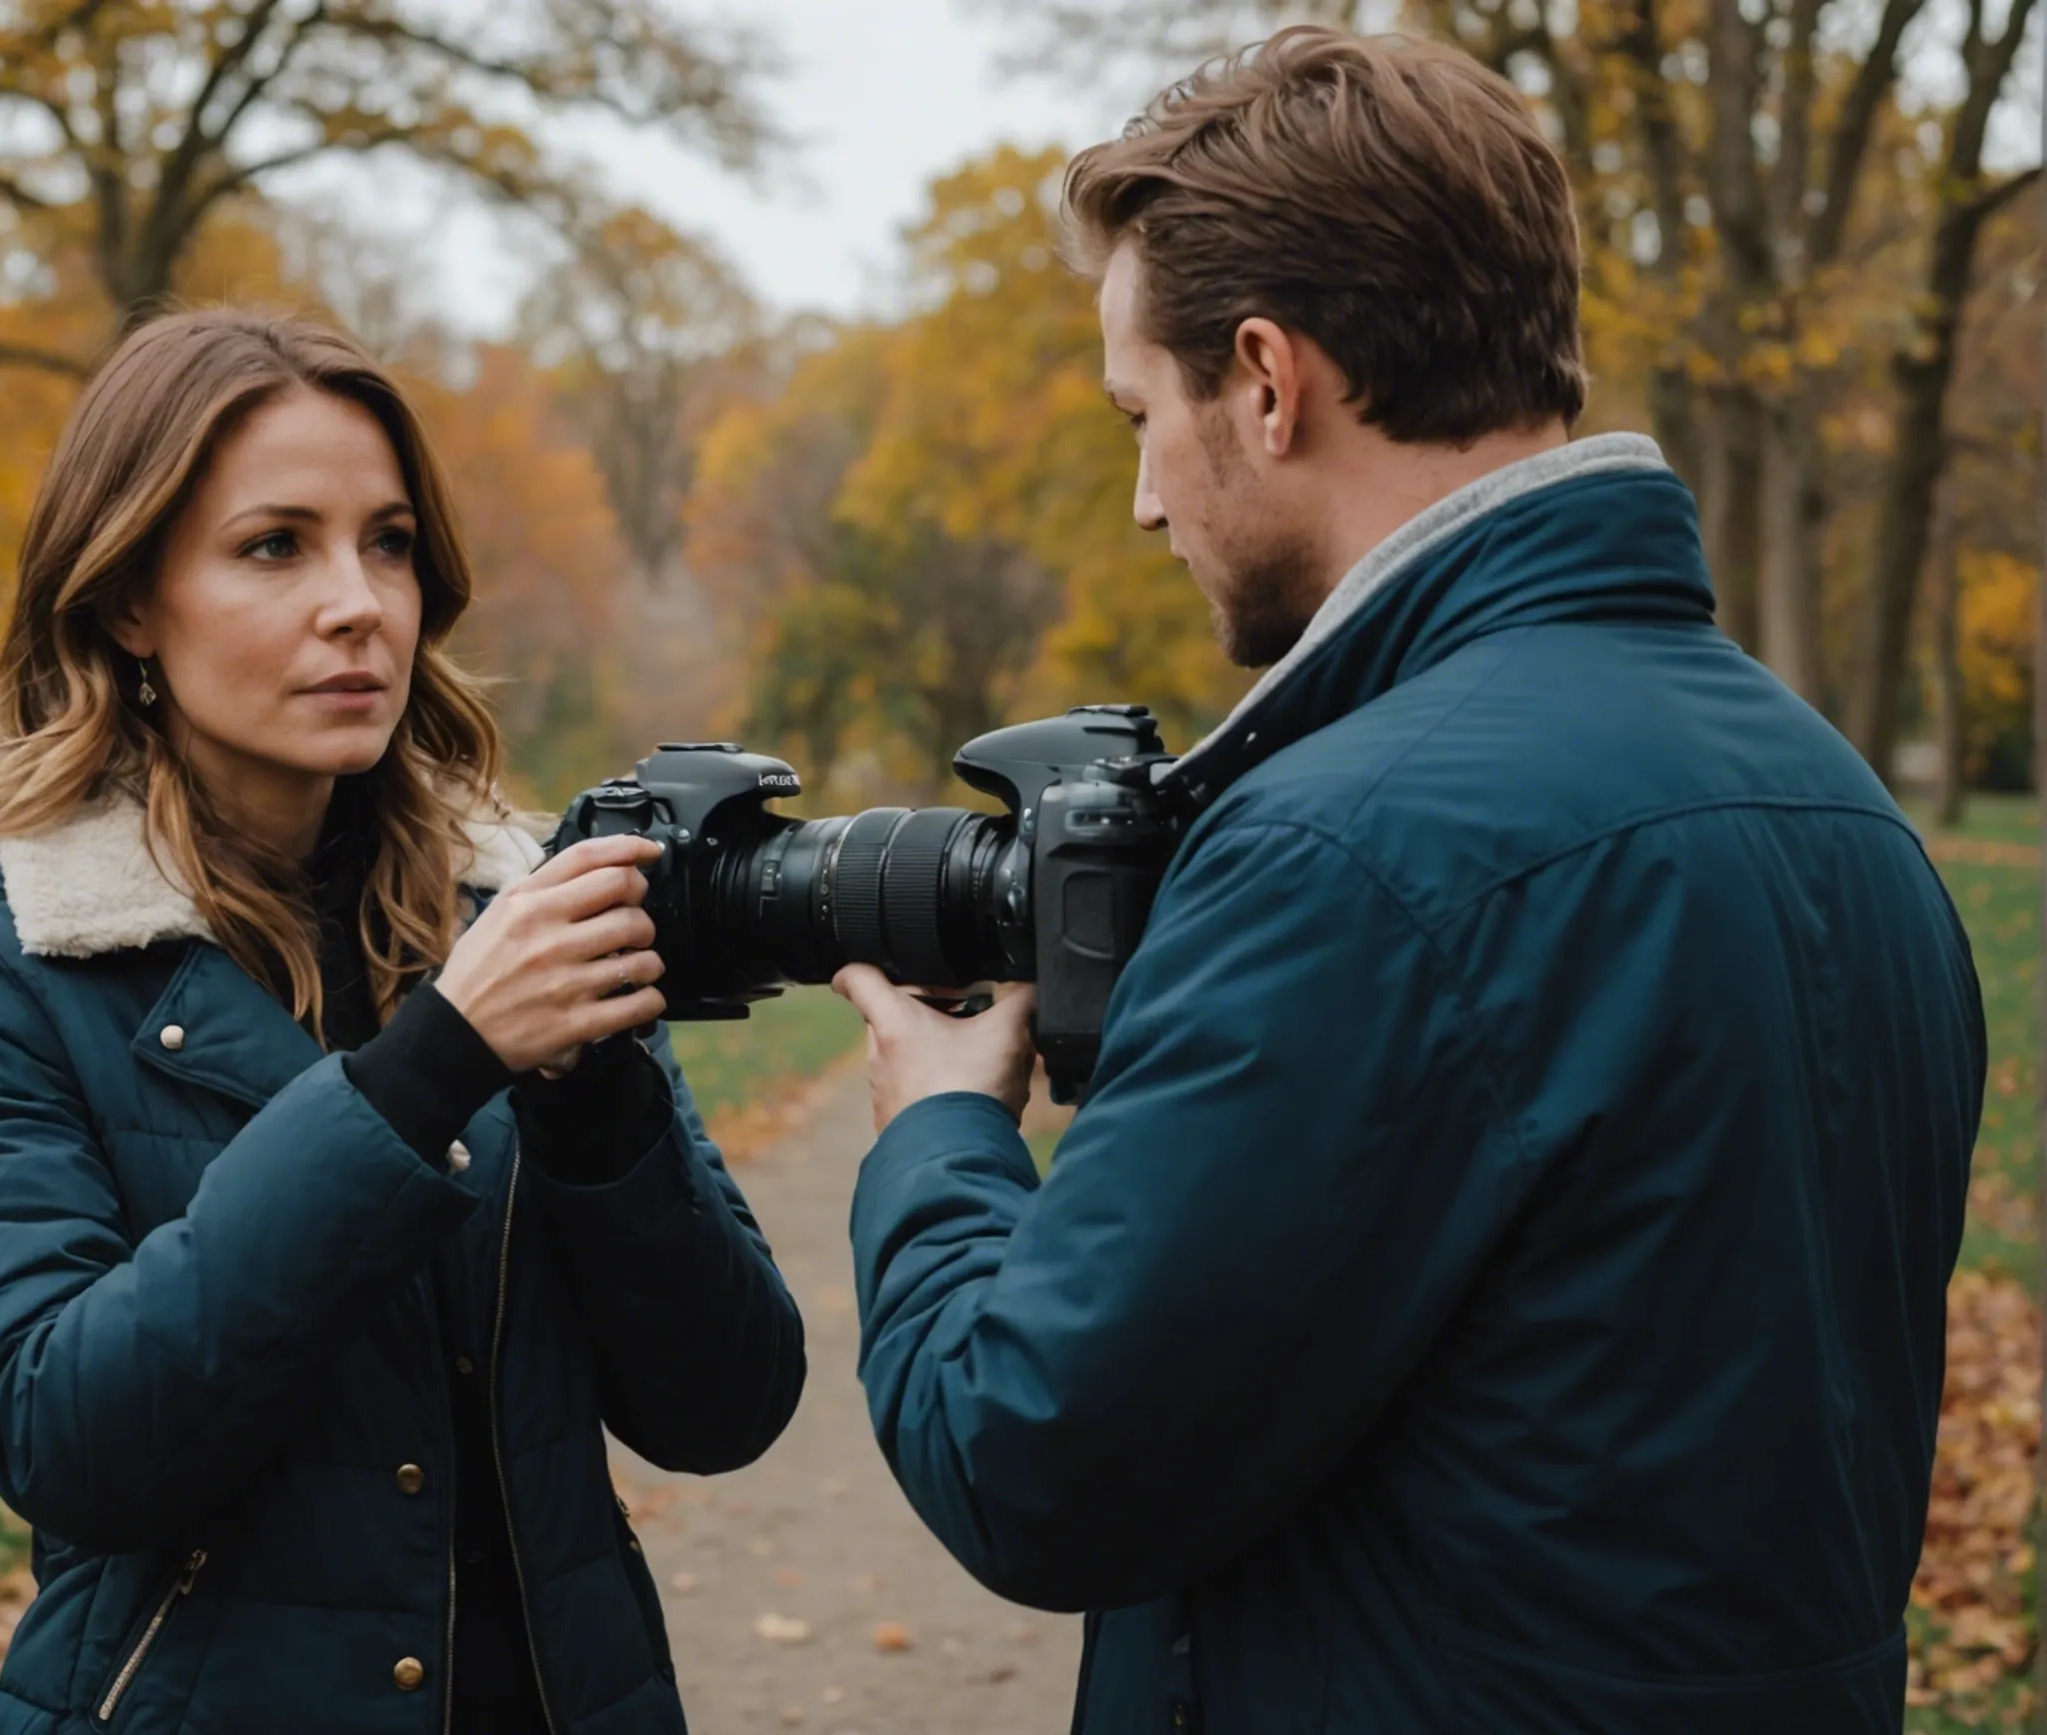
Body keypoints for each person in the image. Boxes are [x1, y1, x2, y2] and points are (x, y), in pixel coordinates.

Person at [829, 27, 1985, 1735]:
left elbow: (1037, 1457)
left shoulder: (1343, 854)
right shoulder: (1839, 805)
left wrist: (937, 1134)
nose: (1147, 500)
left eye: (1144, 417)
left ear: (1270, 381)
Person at [0, 308, 805, 1735]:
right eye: (274, 545)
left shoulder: (514, 907)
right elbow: (67, 1437)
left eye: (389, 542)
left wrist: (591, 1099)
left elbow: (724, 1404)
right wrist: (434, 1065)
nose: (358, 601)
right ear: (129, 599)